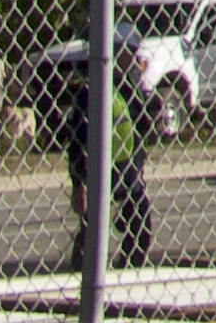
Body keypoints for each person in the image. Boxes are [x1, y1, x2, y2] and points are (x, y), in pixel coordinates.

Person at [69, 41, 155, 268]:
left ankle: (129, 266)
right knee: (94, 230)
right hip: (100, 172)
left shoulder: (129, 89)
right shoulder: (90, 92)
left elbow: (142, 127)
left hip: (128, 171)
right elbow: (76, 143)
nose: (134, 63)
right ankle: (83, 270)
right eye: (128, 57)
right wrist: (78, 183)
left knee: (141, 229)